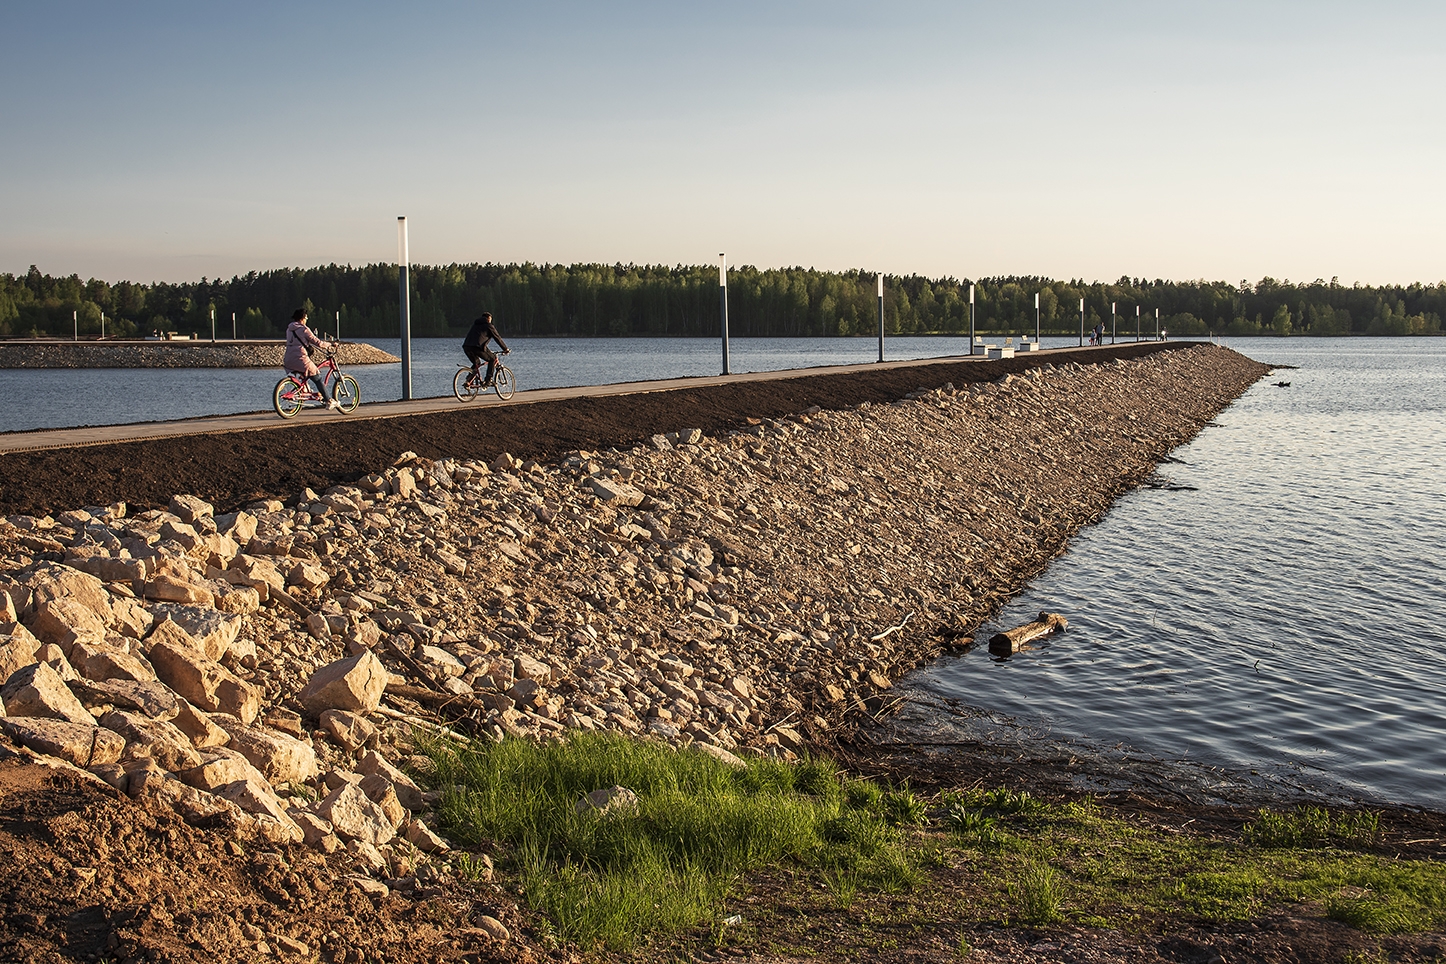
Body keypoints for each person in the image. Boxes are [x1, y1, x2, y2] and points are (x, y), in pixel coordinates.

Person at [283, 308, 338, 410]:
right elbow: (318, 343)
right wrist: (331, 344)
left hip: (288, 359)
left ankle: (302, 389)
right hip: (300, 358)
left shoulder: (289, 329)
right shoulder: (304, 329)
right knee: (316, 376)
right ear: (303, 318)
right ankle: (328, 401)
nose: (307, 318)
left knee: (301, 376)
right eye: (306, 317)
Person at [462, 311, 510, 387]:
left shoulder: (475, 325)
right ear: (488, 318)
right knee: (492, 359)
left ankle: (468, 381)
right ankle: (488, 380)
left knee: (476, 363)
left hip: (466, 347)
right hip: (477, 347)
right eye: (490, 319)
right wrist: (505, 348)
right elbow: (497, 338)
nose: (491, 321)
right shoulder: (488, 325)